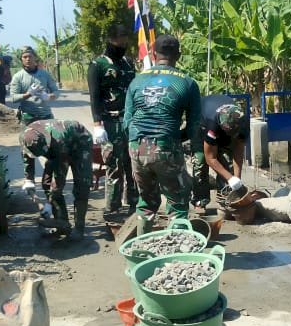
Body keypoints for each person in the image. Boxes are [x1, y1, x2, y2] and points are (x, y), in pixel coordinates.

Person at [123, 34, 202, 234]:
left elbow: (127, 123)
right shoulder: (188, 83)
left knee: (146, 203)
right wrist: (177, 139)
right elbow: (194, 128)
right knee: (177, 202)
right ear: (179, 55)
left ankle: (142, 250)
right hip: (166, 146)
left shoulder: (137, 81)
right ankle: (176, 255)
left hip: (137, 147)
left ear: (153, 53)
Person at [88, 24, 137, 216]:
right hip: (110, 122)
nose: (124, 42)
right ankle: (113, 209)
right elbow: (94, 96)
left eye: (125, 38)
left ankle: (134, 206)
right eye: (120, 38)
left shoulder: (127, 63)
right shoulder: (97, 65)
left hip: (130, 122)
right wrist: (97, 124)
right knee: (114, 167)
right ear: (110, 39)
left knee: (133, 165)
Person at [20, 119, 93, 239]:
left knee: (82, 184)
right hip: (55, 151)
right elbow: (27, 156)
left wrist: (48, 203)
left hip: (80, 142)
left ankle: (79, 229)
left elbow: (59, 178)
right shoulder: (25, 136)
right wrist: (29, 179)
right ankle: (62, 225)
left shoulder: (58, 140)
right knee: (47, 184)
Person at [11, 46, 59, 189]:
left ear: (35, 58)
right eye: (24, 57)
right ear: (21, 60)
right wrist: (28, 94)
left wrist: (49, 96)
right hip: (28, 117)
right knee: (28, 148)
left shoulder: (44, 74)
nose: (27, 59)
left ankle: (50, 178)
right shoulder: (18, 77)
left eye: (30, 56)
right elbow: (13, 97)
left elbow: (56, 91)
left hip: (46, 116)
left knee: (53, 146)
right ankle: (29, 179)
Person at [192, 96, 249, 210]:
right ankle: (200, 201)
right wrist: (230, 178)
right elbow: (210, 158)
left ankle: (226, 199)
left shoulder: (243, 122)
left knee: (227, 163)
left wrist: (237, 179)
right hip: (199, 126)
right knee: (200, 162)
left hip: (227, 130)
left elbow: (238, 151)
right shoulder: (212, 123)